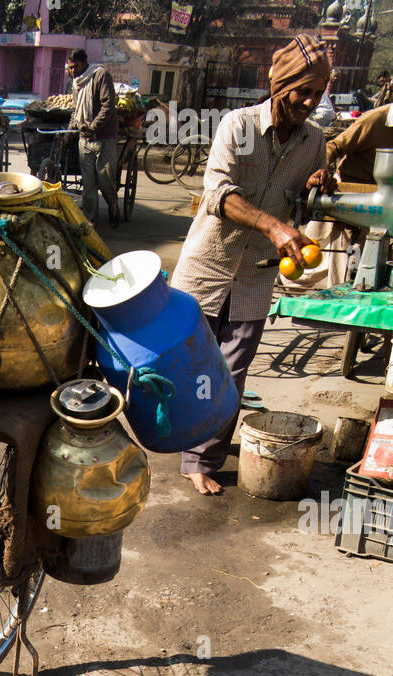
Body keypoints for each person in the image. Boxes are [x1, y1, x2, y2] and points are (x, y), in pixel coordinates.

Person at [170, 34, 332, 495]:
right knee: (190, 367)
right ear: (279, 83)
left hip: (256, 279)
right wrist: (274, 227)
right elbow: (218, 195)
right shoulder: (237, 126)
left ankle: (201, 460)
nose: (309, 101)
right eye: (302, 90)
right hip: (207, 268)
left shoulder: (314, 142)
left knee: (231, 377)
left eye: (317, 94)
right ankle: (170, 433)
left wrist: (319, 185)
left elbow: (304, 200)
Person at [67, 48, 120, 230]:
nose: (72, 71)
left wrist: (93, 126)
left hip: (104, 138)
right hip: (84, 139)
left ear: (84, 63)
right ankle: (90, 223)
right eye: (70, 68)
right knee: (88, 185)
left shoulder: (100, 75)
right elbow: (75, 110)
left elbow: (108, 105)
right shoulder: (76, 82)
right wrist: (69, 132)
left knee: (106, 182)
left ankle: (114, 208)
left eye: (75, 67)